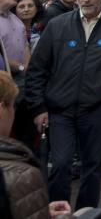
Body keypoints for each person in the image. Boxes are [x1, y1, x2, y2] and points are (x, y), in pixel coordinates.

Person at [23, 0, 101, 210]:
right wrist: (38, 107)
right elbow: (37, 69)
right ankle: (58, 211)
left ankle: (87, 212)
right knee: (61, 163)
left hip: (96, 110)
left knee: (92, 166)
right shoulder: (57, 25)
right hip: (59, 110)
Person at [0, 71, 73, 219]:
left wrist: (38, 209)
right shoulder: (22, 177)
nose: (14, 113)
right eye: (13, 106)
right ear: (2, 109)